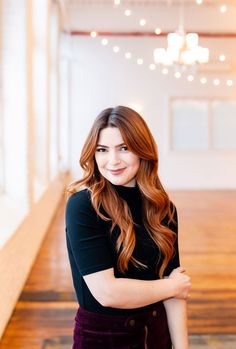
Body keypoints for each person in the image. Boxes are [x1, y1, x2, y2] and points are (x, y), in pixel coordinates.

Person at [65, 106, 191, 349]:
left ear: (142, 151)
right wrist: (171, 286)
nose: (113, 161)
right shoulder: (83, 206)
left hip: (156, 333)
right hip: (104, 338)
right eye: (102, 150)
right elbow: (107, 293)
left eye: (124, 148)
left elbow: (176, 292)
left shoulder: (162, 207)